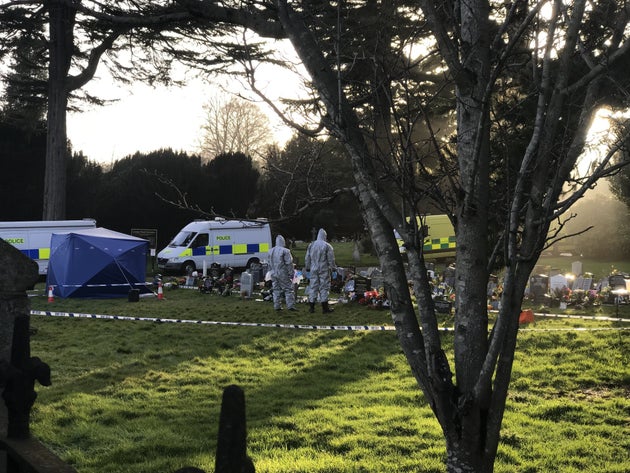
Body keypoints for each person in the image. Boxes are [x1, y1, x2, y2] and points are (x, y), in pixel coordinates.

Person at [304, 228, 336, 313]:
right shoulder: (327, 246)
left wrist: (307, 267)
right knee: (324, 287)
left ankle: (312, 307)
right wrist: (333, 268)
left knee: (313, 286)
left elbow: (307, 257)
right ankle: (325, 308)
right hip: (324, 268)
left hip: (313, 268)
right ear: (325, 236)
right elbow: (331, 259)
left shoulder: (311, 245)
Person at [268, 234, 297, 311]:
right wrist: (291, 273)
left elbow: (269, 263)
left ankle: (277, 306)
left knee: (276, 289)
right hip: (283, 273)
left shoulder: (270, 251)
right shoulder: (285, 251)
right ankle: (290, 306)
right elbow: (289, 263)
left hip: (273, 272)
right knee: (288, 289)